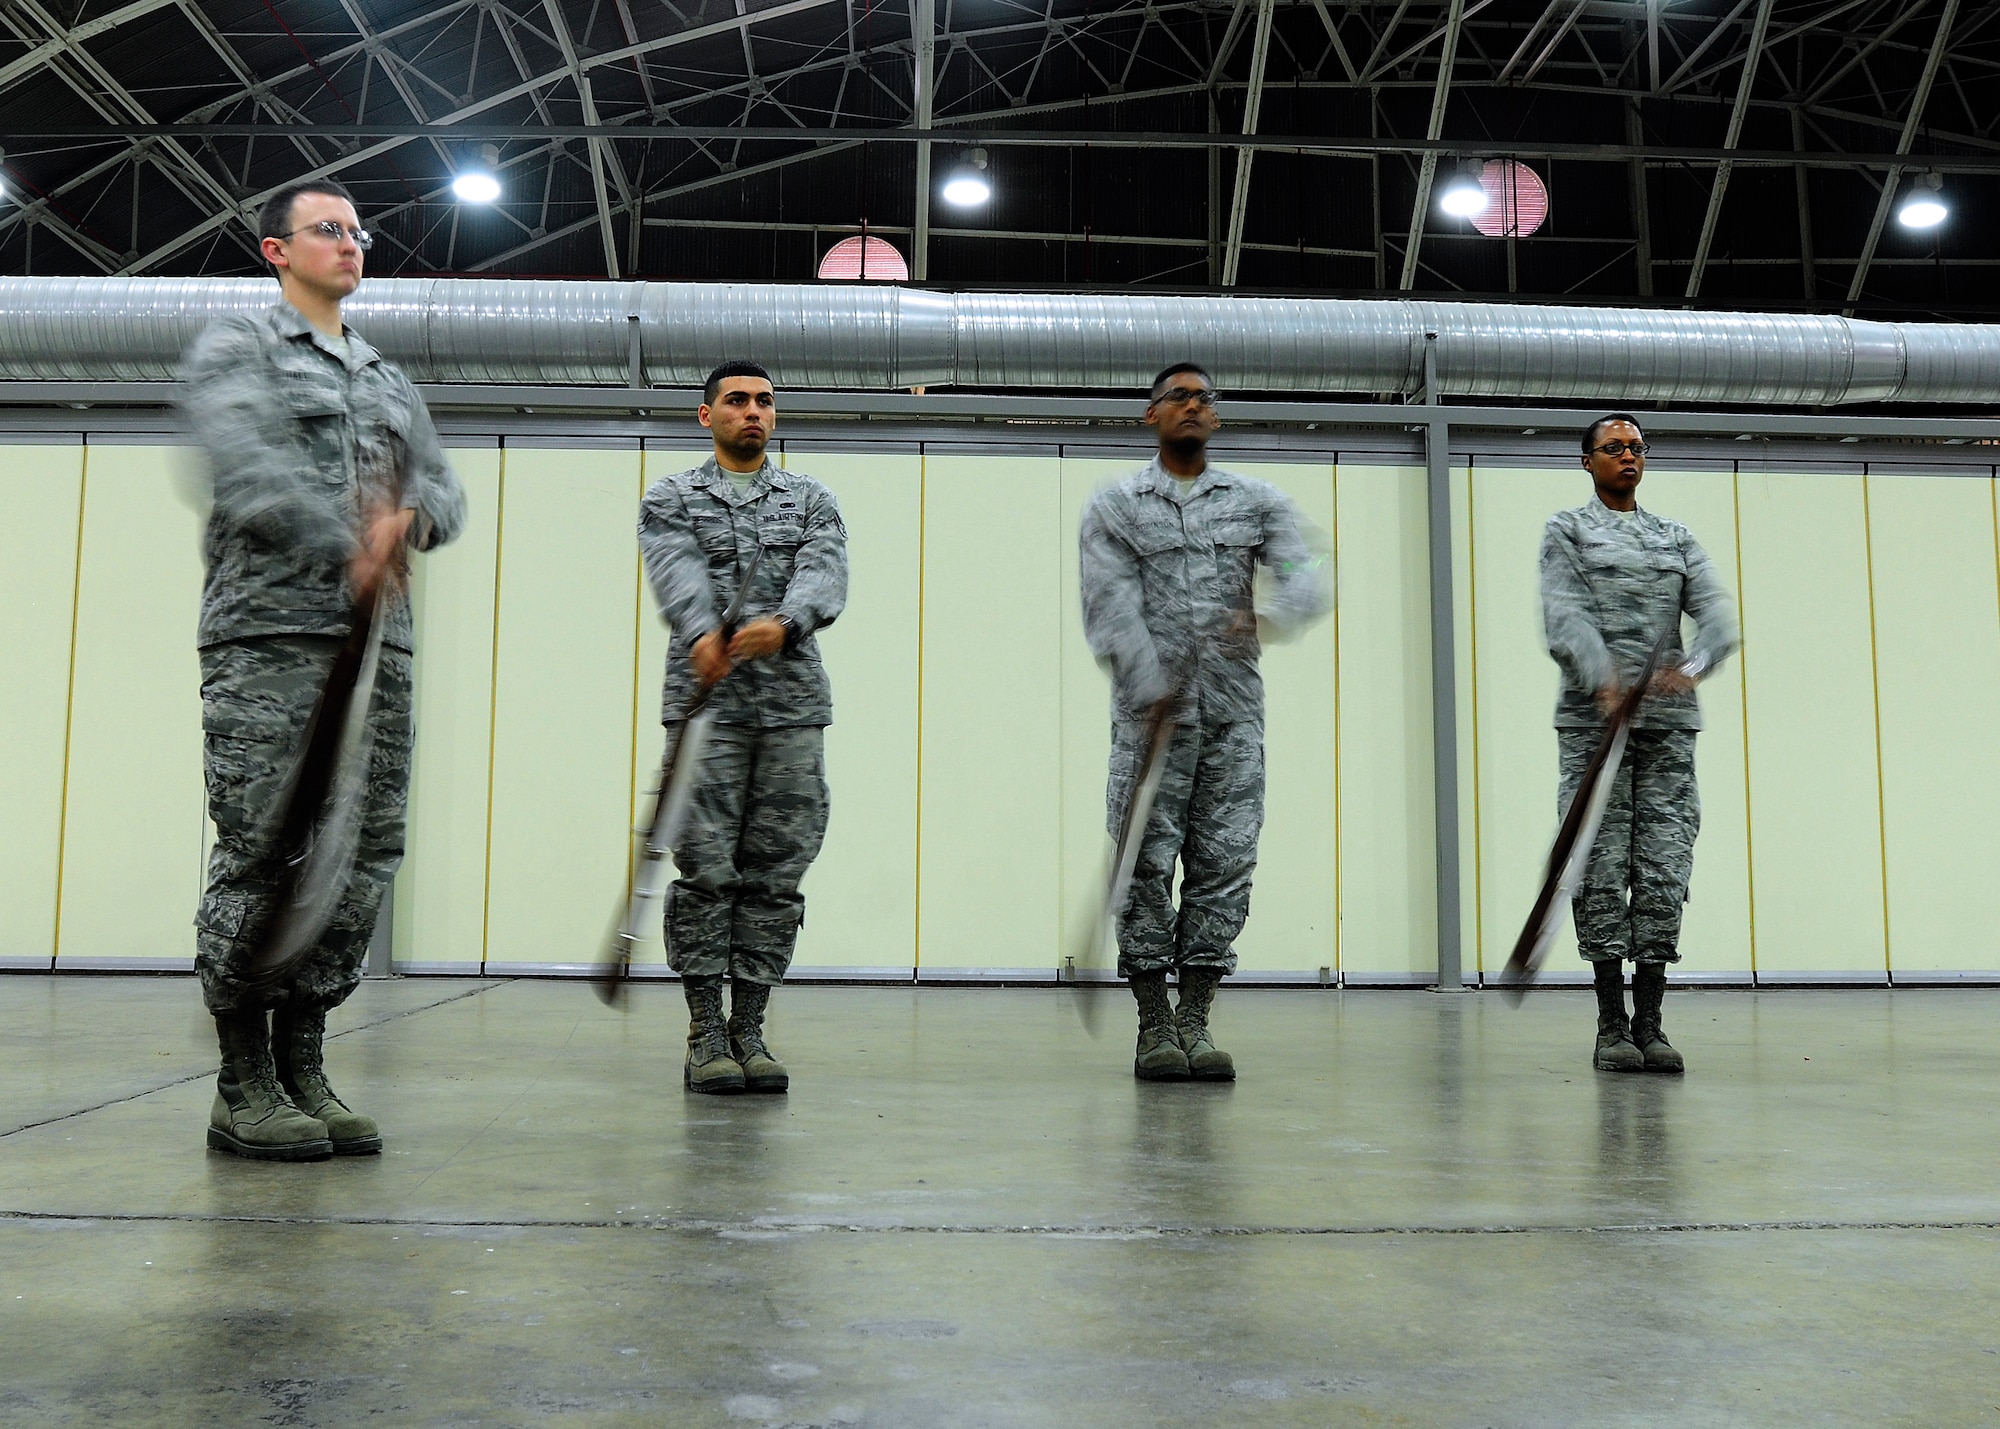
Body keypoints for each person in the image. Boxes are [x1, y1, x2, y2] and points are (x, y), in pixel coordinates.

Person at [182, 178, 465, 1159]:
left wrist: (411, 518)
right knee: (266, 848)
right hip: (271, 640)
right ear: (277, 251)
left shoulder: (387, 377)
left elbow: (442, 484)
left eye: (358, 230)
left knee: (365, 853)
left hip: (377, 651)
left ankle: (304, 1061)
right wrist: (343, 534)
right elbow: (243, 465)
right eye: (328, 230)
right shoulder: (240, 349)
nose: (351, 243)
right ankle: (240, 1078)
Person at [1078, 362, 1331, 1082]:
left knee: (1224, 865)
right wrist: (1146, 677)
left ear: (1215, 417)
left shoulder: (1256, 501)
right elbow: (1107, 606)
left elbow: (1310, 572)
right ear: (1150, 415)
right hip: (1149, 722)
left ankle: (1196, 1018)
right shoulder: (1117, 505)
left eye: (1202, 398)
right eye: (1176, 397)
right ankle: (1154, 1023)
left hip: (1231, 719)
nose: (1191, 406)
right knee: (1145, 866)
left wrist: (1270, 615)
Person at [638, 361, 848, 1095]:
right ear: (707, 416)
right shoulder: (672, 497)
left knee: (776, 872)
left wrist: (785, 624)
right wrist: (703, 632)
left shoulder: (812, 499)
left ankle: (750, 1028)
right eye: (736, 401)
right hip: (708, 710)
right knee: (706, 869)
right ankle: (704, 1032)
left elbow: (825, 575)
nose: (752, 412)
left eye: (763, 401)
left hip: (790, 709)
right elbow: (674, 571)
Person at [1541, 414, 1739, 1074]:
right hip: (1592, 729)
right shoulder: (1567, 532)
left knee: (1662, 866)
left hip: (1667, 733)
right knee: (1599, 867)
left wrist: (1692, 667)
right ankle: (1610, 1022)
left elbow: (1718, 616)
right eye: (1614, 448)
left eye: (1636, 447)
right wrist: (1603, 682)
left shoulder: (1674, 538)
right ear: (1587, 461)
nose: (1628, 456)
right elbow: (1564, 616)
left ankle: (1651, 1021)